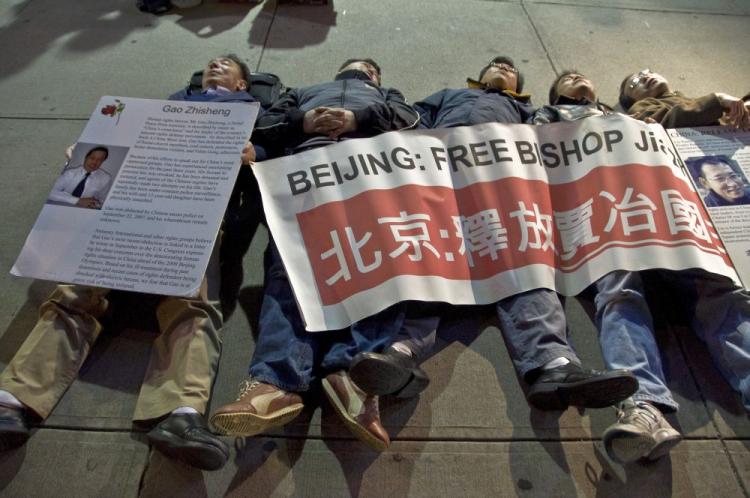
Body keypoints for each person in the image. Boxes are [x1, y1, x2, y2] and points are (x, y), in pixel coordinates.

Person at [0, 54, 262, 471]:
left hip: (191, 208)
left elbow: (272, 156)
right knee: (75, 292)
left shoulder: (252, 112)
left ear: (243, 83)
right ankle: (15, 399)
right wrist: (84, 152)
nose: (215, 64)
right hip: (130, 200)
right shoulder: (165, 106)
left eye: (227, 63)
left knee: (193, 301)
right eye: (211, 61)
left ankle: (181, 413)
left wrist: (255, 152)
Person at [349, 60, 638, 414]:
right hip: (443, 183)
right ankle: (400, 356)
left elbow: (552, 147)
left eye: (510, 67)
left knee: (528, 265)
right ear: (477, 78)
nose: (502, 66)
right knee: (431, 261)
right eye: (494, 65)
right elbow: (408, 123)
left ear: (519, 85)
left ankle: (555, 366)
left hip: (505, 190)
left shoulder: (529, 111)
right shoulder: (447, 96)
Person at [209, 58, 421, 451]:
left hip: (371, 176)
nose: (362, 69)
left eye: (371, 68)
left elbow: (412, 122)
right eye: (355, 65)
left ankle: (354, 375)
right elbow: (264, 125)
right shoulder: (301, 94)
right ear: (337, 70)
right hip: (304, 176)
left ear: (377, 78)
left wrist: (356, 119)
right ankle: (275, 382)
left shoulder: (388, 97)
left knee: (377, 272)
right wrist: (303, 124)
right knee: (290, 273)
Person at [618, 69, 749, 129]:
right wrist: (718, 99)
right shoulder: (640, 108)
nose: (645, 77)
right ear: (633, 101)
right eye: (634, 83)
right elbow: (663, 122)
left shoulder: (691, 101)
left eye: (645, 72)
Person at [686, 155, 750, 207]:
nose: (733, 184)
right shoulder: (704, 206)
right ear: (705, 183)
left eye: (733, 176)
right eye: (720, 179)